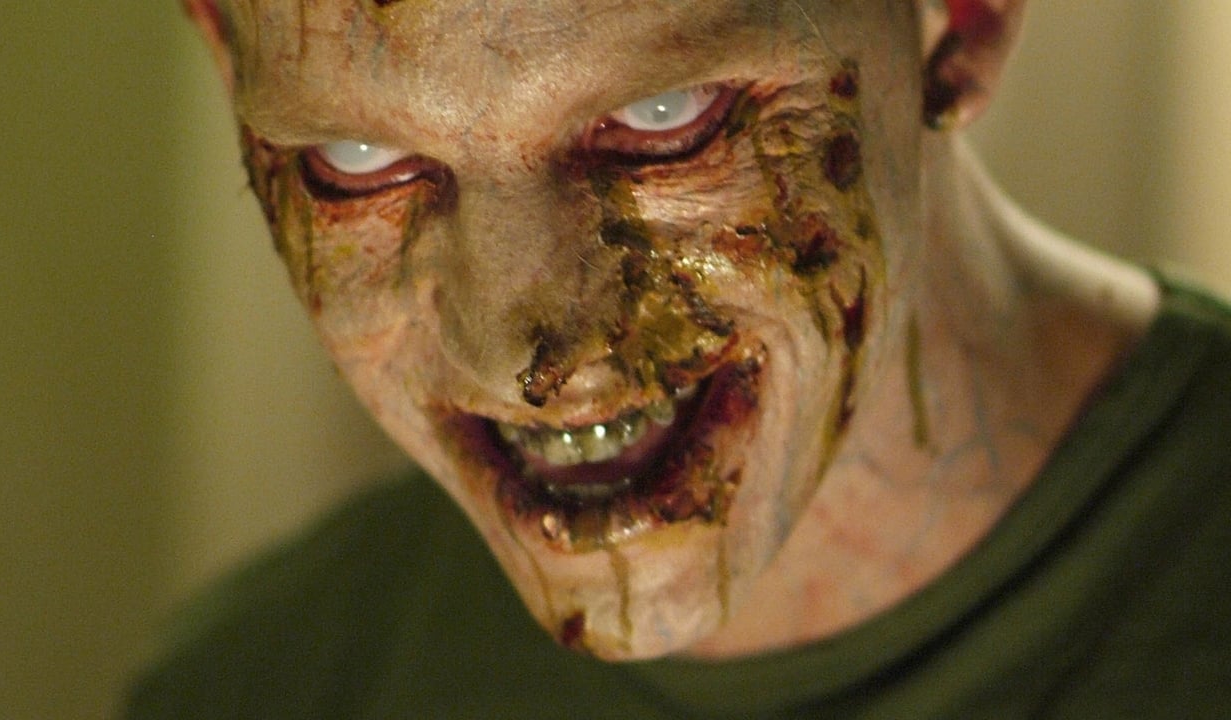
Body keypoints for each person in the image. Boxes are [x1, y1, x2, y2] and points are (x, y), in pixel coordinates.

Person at [125, 0, 1231, 716]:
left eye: (663, 116)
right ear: (225, 59)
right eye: (356, 158)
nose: (522, 357)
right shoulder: (256, 685)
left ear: (963, 18)